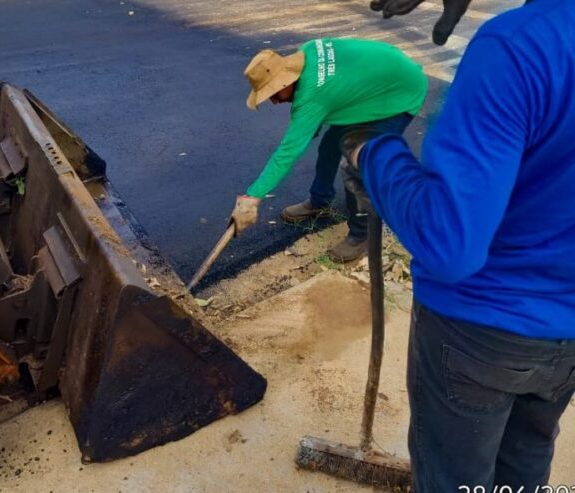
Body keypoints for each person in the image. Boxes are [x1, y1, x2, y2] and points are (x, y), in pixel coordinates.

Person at [344, 1, 575, 490]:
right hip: (566, 336)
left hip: (479, 330)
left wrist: (374, 155)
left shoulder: (520, 47)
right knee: (527, 457)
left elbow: (452, 243)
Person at [230, 38, 427, 262]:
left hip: (398, 95)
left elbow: (287, 153)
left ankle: (362, 235)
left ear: (285, 82)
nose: (273, 101)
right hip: (375, 84)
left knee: (357, 167)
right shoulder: (306, 52)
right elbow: (336, 87)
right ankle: (320, 201)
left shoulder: (312, 96)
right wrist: (310, 126)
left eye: (273, 93)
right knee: (329, 147)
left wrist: (253, 196)